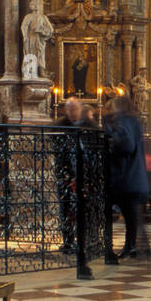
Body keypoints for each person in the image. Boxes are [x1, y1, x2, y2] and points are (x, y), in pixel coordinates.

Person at [105, 94, 151, 259]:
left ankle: (125, 247)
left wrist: (111, 140)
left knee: (125, 214)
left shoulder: (123, 122)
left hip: (125, 176)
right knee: (131, 215)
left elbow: (127, 145)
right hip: (134, 177)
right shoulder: (134, 122)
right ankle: (131, 247)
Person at [54, 96, 96, 254]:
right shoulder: (60, 125)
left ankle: (86, 240)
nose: (72, 113)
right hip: (66, 173)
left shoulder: (90, 125)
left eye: (75, 109)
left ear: (80, 109)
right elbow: (57, 151)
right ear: (66, 110)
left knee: (85, 208)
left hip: (86, 175)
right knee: (65, 208)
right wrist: (64, 174)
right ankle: (68, 241)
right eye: (69, 110)